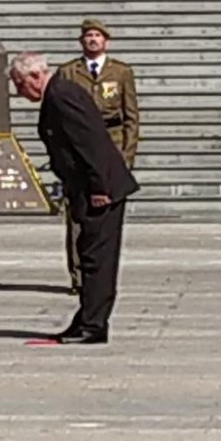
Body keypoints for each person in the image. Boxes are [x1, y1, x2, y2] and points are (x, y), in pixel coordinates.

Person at [9, 50, 139, 344]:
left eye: (19, 83)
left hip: (100, 190)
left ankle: (93, 326)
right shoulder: (59, 92)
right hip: (88, 188)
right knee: (89, 252)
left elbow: (90, 142)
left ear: (34, 75)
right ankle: (86, 319)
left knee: (97, 257)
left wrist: (98, 189)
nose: (18, 92)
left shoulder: (62, 94)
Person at [55, 17, 140, 290]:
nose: (93, 39)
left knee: (108, 217)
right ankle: (79, 277)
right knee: (77, 215)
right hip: (79, 150)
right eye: (88, 35)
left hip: (111, 146)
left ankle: (100, 275)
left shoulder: (121, 72)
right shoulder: (68, 72)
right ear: (81, 41)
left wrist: (126, 156)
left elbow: (131, 117)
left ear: (106, 41)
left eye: (98, 35)